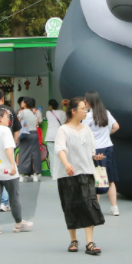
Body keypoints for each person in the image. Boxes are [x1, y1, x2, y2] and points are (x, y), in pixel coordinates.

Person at [54, 97, 106, 255]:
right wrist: (67, 164)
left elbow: (91, 150)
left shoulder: (87, 129)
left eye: (86, 109)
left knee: (89, 204)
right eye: (83, 108)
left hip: (86, 172)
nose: (86, 111)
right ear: (73, 111)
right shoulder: (63, 130)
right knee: (71, 206)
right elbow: (60, 149)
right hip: (67, 174)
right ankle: (73, 240)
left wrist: (94, 157)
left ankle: (90, 243)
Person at [0, 108, 31, 235]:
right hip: (7, 171)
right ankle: (19, 223)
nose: (9, 119)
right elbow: (9, 149)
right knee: (14, 197)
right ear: (0, 118)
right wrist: (12, 164)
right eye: (6, 117)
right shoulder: (5, 131)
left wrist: (3, 112)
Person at [83, 91, 120, 216]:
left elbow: (83, 132)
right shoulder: (106, 112)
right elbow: (116, 126)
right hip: (108, 148)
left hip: (95, 150)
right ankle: (114, 208)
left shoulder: (88, 116)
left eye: (85, 100)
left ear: (89, 102)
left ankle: (96, 208)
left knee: (96, 178)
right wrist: (106, 134)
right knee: (110, 179)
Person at [17, 97, 42, 182]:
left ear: (25, 103)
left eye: (23, 102)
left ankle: (21, 175)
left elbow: (17, 123)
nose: (21, 103)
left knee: (23, 154)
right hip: (34, 134)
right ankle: (35, 175)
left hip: (25, 135)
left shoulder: (21, 112)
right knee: (35, 155)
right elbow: (37, 123)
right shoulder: (34, 112)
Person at [44, 99, 66, 177]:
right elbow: (63, 123)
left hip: (50, 137)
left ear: (50, 106)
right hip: (59, 136)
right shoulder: (63, 113)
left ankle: (54, 174)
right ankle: (61, 173)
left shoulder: (48, 113)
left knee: (52, 156)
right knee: (61, 155)